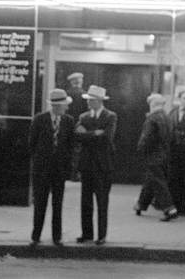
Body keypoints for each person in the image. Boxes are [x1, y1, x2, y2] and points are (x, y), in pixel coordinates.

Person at [29, 88, 75, 246]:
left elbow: (70, 145)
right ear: (56, 106)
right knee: (40, 203)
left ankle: (57, 236)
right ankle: (36, 235)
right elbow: (32, 143)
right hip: (42, 169)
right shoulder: (40, 119)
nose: (67, 108)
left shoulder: (68, 121)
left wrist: (68, 168)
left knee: (58, 203)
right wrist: (38, 161)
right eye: (64, 105)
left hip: (59, 169)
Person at [75, 84, 117, 245]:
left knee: (102, 201)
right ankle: (87, 233)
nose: (88, 103)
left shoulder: (110, 116)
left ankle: (101, 235)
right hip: (87, 165)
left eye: (91, 100)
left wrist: (86, 134)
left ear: (99, 101)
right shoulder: (84, 116)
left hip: (102, 165)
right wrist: (95, 134)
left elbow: (107, 137)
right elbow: (77, 136)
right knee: (86, 201)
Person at [134, 93, 178, 222]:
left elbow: (146, 139)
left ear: (152, 105)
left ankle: (170, 209)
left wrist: (140, 149)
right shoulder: (168, 118)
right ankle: (140, 205)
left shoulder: (152, 119)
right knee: (151, 180)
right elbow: (173, 138)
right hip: (165, 155)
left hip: (153, 156)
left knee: (159, 183)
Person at [66, 71, 88, 181]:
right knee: (78, 150)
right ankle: (76, 173)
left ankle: (69, 173)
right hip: (80, 126)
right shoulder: (84, 95)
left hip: (67, 126)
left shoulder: (66, 94)